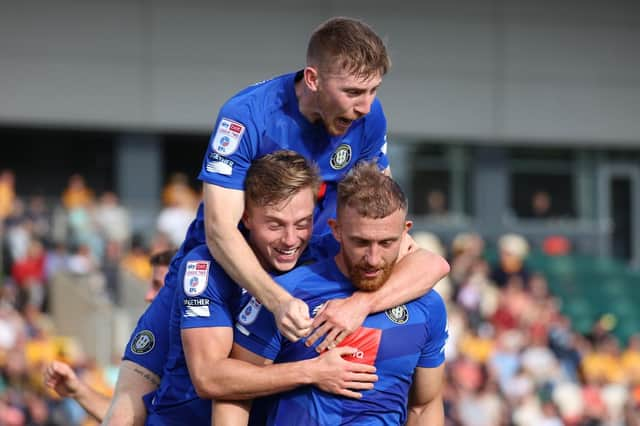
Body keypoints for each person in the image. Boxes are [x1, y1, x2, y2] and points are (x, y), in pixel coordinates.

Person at [118, 15, 449, 423]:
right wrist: (276, 300)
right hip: (229, 271)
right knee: (133, 395)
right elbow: (222, 231)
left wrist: (360, 304)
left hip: (306, 270)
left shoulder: (368, 118)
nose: (365, 105)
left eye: (373, 90)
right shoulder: (247, 116)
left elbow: (396, 226)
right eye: (352, 92)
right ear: (313, 79)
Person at [147, 151, 378, 424]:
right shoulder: (205, 267)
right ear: (246, 217)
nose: (290, 239)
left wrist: (362, 303)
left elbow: (429, 264)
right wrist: (314, 371)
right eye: (275, 225)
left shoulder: (323, 251)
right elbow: (209, 378)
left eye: (302, 224)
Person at [217, 162, 448, 425]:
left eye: (386, 243)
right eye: (360, 242)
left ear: (405, 231)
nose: (373, 259)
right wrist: (310, 372)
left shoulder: (427, 306)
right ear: (336, 230)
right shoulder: (286, 296)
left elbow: (424, 405)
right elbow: (231, 393)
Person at [42, 249, 176, 423]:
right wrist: (78, 390)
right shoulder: (158, 344)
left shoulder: (192, 354)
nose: (148, 295)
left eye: (158, 286)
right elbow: (128, 417)